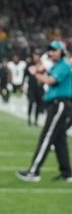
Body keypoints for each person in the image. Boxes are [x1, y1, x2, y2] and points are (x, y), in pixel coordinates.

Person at [16, 41, 72, 182]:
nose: (51, 53)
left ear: (61, 52)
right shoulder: (57, 65)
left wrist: (36, 74)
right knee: (59, 140)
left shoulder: (64, 66)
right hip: (57, 104)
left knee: (47, 137)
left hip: (60, 104)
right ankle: (67, 173)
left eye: (54, 50)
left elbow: (50, 81)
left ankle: (34, 171)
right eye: (50, 50)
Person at [25, 50, 45, 126]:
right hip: (31, 87)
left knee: (38, 104)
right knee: (31, 102)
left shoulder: (43, 65)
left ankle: (36, 120)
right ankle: (29, 118)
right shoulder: (30, 64)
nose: (35, 57)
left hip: (40, 88)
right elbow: (26, 74)